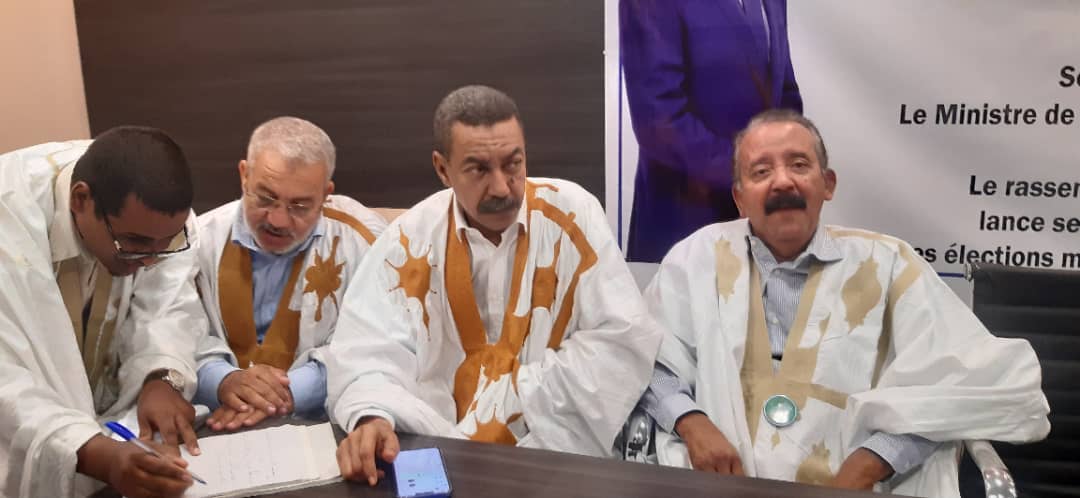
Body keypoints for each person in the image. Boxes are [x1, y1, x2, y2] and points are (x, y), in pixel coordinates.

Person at [639, 109, 1049, 496]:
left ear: (828, 184)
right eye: (761, 172)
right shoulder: (696, 258)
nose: (782, 182)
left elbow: (963, 383)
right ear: (740, 198)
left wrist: (872, 461)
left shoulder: (890, 264)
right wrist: (691, 422)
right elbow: (645, 360)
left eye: (799, 165)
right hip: (717, 482)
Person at [327, 85, 662, 485]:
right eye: (479, 170)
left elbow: (621, 340)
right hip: (436, 454)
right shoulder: (410, 238)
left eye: (513, 164)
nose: (502, 187)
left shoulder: (574, 214)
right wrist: (374, 416)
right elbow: (366, 349)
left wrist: (513, 405)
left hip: (551, 452)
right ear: (442, 169)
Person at [0, 127, 208, 498]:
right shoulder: (9, 225)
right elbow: (7, 382)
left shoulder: (153, 219)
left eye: (166, 244)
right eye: (134, 243)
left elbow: (167, 305)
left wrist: (161, 379)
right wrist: (98, 455)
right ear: (80, 199)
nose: (150, 259)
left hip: (111, 434)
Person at [193, 117, 387, 430]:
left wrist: (288, 393)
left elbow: (373, 346)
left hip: (321, 423)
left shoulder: (365, 243)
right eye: (266, 198)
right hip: (214, 419)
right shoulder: (198, 241)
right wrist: (223, 380)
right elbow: (176, 333)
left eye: (299, 206)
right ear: (244, 175)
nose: (278, 220)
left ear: (326, 194)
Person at [620, 0, 802, 263]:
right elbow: (658, 121)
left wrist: (787, 166)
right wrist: (752, 175)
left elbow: (784, 91)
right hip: (686, 229)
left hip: (766, 228)